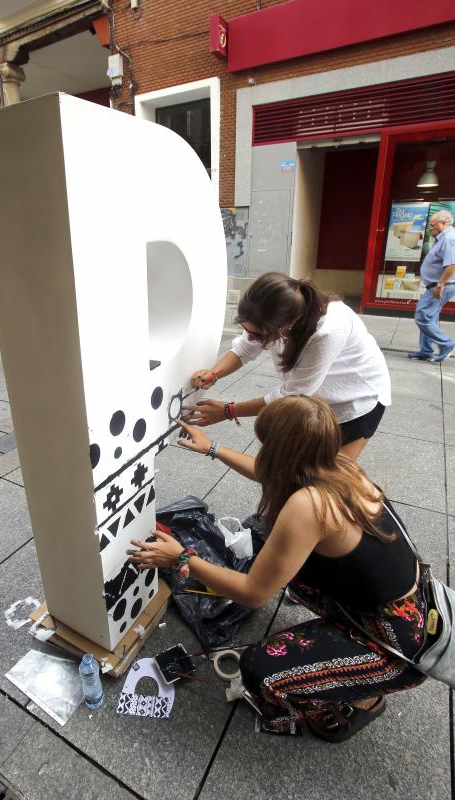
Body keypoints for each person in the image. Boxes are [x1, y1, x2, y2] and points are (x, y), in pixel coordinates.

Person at [129, 396, 427, 741]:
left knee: (259, 669)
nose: (263, 453)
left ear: (280, 453)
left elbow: (253, 594)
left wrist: (182, 558)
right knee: (286, 569)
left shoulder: (307, 506)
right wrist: (212, 448)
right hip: (404, 607)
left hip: (397, 646)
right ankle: (347, 657)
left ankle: (365, 697)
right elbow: (275, 472)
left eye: (267, 446)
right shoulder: (341, 466)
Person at [188, 273, 391, 460]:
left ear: (288, 325)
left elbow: (292, 395)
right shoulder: (275, 312)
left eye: (258, 335)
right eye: (245, 329)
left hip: (356, 402)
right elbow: (244, 349)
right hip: (315, 403)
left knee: (329, 481)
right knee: (299, 472)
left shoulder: (328, 330)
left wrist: (228, 411)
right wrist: (213, 373)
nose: (250, 337)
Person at [408, 209, 455, 362]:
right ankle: (426, 351)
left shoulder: (449, 238)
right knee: (430, 317)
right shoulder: (443, 238)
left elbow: (452, 265)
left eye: (433, 225)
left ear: (444, 223)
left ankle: (447, 344)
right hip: (436, 285)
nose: (430, 228)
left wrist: (440, 285)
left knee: (422, 317)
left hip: (441, 285)